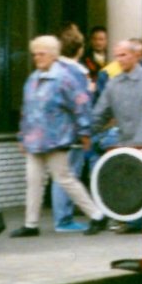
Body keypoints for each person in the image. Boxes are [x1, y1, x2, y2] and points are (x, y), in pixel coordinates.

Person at [13, 35, 110, 238]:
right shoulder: (32, 79)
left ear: (53, 55)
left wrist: (84, 132)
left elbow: (80, 105)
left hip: (56, 139)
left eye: (42, 54)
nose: (37, 58)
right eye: (35, 54)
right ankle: (31, 224)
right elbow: (26, 110)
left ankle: (97, 215)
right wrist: (22, 135)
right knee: (33, 181)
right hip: (34, 140)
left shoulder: (64, 79)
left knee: (65, 179)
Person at [92, 39, 142, 233]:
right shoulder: (113, 84)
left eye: (123, 55)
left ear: (134, 55)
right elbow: (100, 112)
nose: (119, 59)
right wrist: (86, 133)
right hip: (127, 140)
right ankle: (135, 221)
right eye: (116, 56)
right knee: (132, 181)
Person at [49, 25, 94, 232]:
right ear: (80, 48)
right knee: (68, 175)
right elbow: (81, 103)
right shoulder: (77, 72)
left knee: (60, 175)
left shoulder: (53, 69)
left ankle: (62, 217)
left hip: (54, 131)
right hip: (71, 131)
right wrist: (85, 131)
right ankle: (63, 219)